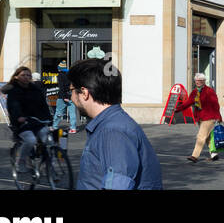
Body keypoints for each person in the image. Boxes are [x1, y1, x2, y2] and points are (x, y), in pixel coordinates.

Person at [68, 59, 162, 190]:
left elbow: (118, 185)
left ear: (84, 93)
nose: (71, 98)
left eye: (71, 90)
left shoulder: (112, 131)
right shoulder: (112, 124)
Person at [5, 66, 52, 175]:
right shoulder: (13, 90)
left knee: (47, 138)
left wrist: (49, 118)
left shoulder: (35, 89)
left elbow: (43, 105)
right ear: (16, 77)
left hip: (36, 121)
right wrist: (19, 117)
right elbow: (13, 105)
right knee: (30, 140)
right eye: (23, 75)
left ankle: (45, 164)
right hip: (21, 123)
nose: (26, 77)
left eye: (28, 75)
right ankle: (20, 162)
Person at [177, 73, 223, 163]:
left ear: (204, 81)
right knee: (207, 136)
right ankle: (214, 154)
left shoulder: (209, 91)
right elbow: (188, 102)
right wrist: (177, 109)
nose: (198, 82)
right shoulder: (194, 92)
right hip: (200, 117)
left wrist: (218, 116)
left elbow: (215, 104)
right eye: (196, 80)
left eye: (200, 80)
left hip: (210, 117)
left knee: (201, 136)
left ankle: (195, 156)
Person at [53, 62, 78, 133]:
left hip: (62, 97)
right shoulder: (71, 75)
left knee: (59, 112)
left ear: (60, 69)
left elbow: (62, 87)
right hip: (71, 96)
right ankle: (73, 128)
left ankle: (55, 126)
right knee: (72, 113)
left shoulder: (60, 75)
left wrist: (64, 97)